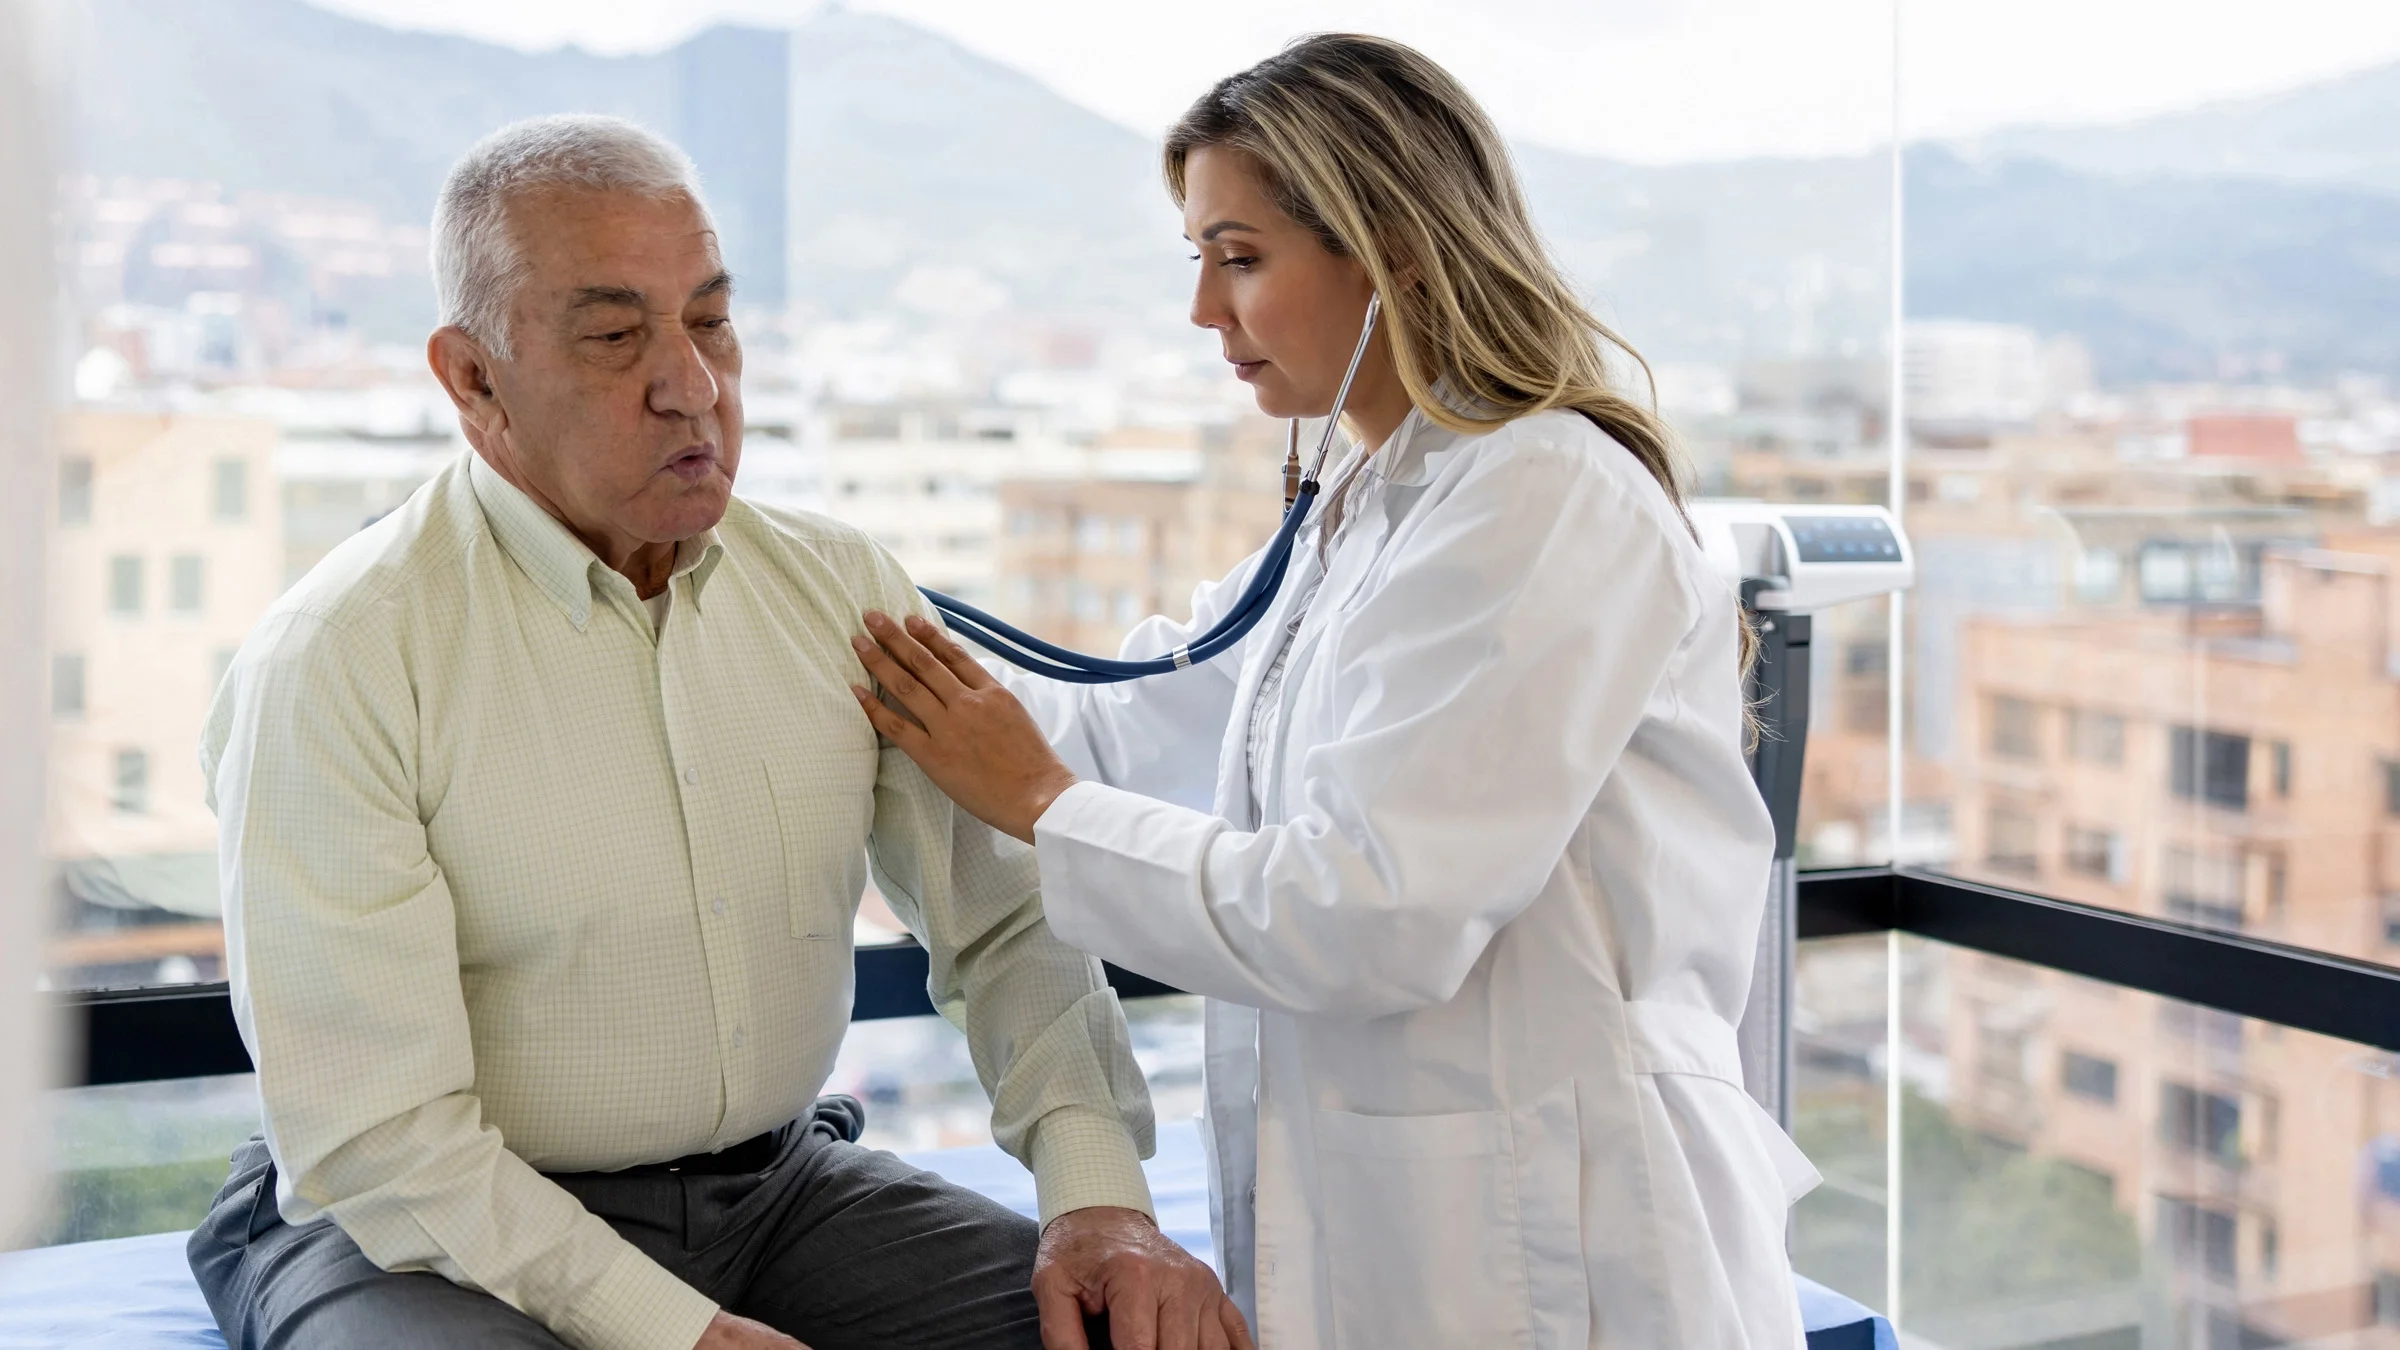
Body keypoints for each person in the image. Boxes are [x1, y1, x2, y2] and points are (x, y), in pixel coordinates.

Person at [189, 115, 1245, 1350]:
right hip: (415, 1234)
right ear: (473, 379)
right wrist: (671, 1330)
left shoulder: (841, 588)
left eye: (710, 320)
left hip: (777, 1194)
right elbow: (376, 1138)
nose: (690, 384)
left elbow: (1007, 922)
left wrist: (1099, 1201)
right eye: (616, 334)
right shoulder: (341, 658)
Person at [848, 34, 1822, 1350]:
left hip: (1565, 1246)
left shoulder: (1540, 494)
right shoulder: (1368, 506)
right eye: (1196, 257)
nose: (1204, 311)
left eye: (1239, 257)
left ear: (1394, 251)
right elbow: (1139, 718)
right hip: (1405, 1223)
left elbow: (1376, 912)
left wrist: (1041, 803)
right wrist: (825, 625)